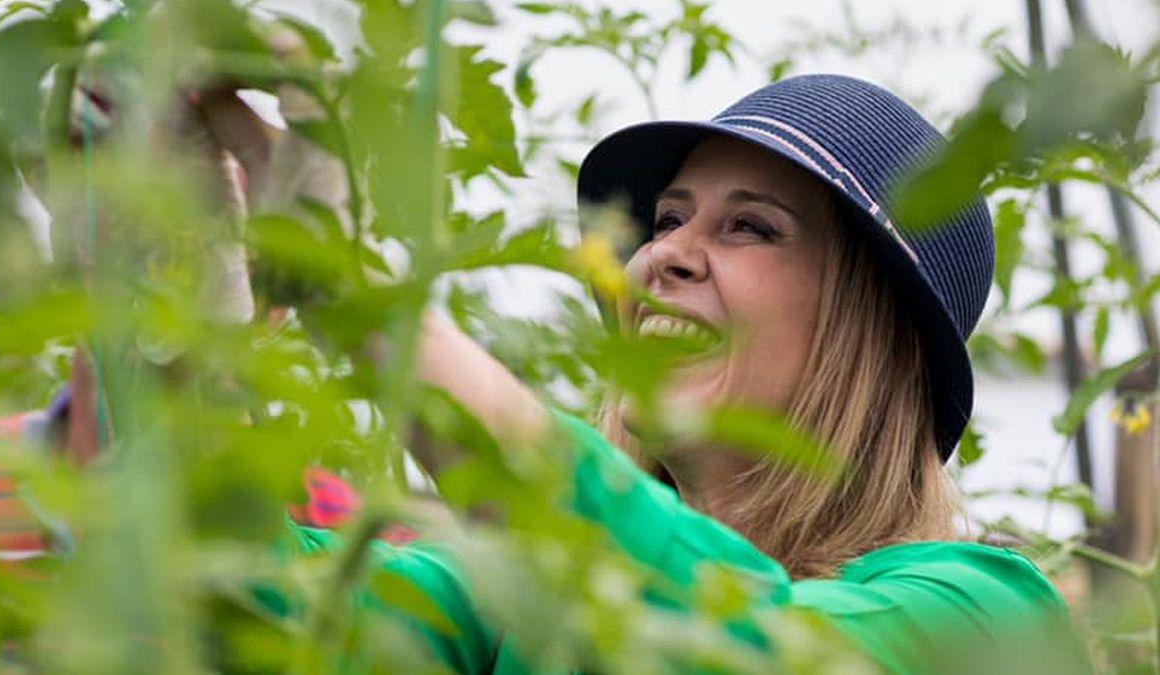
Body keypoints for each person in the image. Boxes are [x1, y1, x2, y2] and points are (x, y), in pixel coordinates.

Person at [288, 74, 1095, 674]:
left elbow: (744, 647)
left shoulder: (983, 617)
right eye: (670, 218)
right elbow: (267, 607)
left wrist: (352, 293)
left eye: (751, 225)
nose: (661, 252)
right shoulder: (513, 594)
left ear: (874, 335)